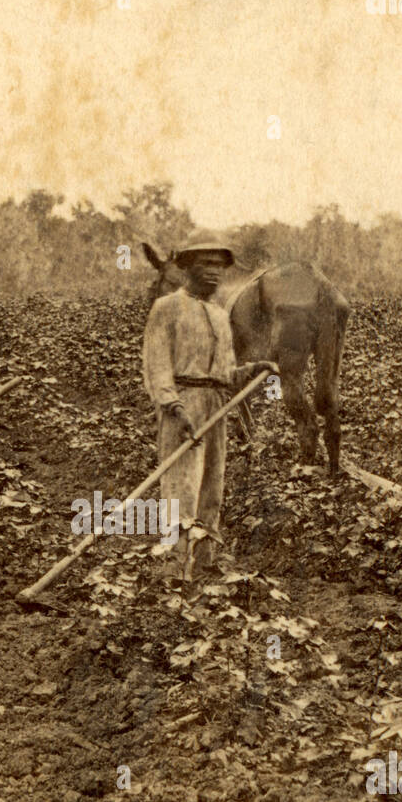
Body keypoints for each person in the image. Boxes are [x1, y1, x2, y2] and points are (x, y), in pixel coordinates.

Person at [141, 230, 278, 578]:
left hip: (217, 403)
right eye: (206, 265)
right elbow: (157, 366)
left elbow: (224, 372)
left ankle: (206, 561)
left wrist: (252, 370)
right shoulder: (167, 308)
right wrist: (174, 408)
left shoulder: (219, 315)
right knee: (181, 486)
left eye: (219, 266)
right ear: (187, 268)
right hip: (182, 403)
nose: (215, 272)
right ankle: (176, 568)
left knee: (212, 484)